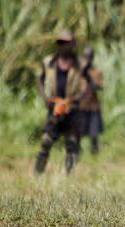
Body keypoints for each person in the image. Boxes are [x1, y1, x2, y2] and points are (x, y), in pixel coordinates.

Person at [34, 32, 88, 174]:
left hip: (72, 110)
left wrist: (76, 99)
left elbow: (87, 85)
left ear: (73, 45)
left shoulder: (80, 64)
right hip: (55, 109)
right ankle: (36, 176)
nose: (64, 46)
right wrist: (45, 98)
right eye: (61, 43)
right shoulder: (48, 63)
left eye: (67, 43)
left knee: (71, 144)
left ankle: (69, 179)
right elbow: (39, 80)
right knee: (46, 141)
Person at [79, 46, 104, 154]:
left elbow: (98, 86)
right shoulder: (77, 72)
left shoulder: (96, 72)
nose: (86, 59)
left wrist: (88, 77)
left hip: (93, 108)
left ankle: (95, 156)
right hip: (80, 107)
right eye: (85, 56)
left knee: (93, 135)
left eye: (88, 57)